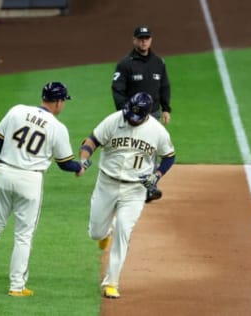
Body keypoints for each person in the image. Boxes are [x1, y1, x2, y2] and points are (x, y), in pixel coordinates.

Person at [0, 82, 87, 297]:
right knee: (23, 235)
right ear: (58, 102)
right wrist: (80, 167)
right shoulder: (57, 127)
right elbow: (65, 163)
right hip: (30, 180)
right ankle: (16, 286)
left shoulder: (17, 110)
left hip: (4, 172)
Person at [79, 92, 175, 299]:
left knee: (124, 230)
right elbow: (91, 140)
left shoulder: (157, 131)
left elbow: (169, 156)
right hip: (106, 183)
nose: (131, 118)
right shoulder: (114, 120)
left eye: (136, 116)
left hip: (135, 190)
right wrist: (84, 159)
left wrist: (157, 175)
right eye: (130, 113)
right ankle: (105, 233)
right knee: (95, 232)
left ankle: (111, 282)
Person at [111, 25, 172, 203]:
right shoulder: (125, 63)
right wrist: (125, 112)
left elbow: (164, 86)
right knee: (130, 148)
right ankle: (124, 183)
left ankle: (149, 186)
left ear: (151, 40)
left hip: (153, 114)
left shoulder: (158, 62)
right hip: (132, 116)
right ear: (134, 40)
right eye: (141, 38)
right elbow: (117, 89)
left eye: (147, 38)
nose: (144, 41)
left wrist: (166, 108)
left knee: (150, 149)